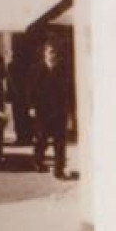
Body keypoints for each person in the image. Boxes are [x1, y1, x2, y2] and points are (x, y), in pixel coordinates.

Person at [29, 42, 75, 178]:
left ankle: (59, 169)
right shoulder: (36, 69)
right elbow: (30, 90)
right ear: (44, 53)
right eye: (49, 52)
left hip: (59, 110)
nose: (52, 55)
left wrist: (70, 110)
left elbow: (68, 90)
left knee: (60, 141)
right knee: (41, 138)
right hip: (42, 110)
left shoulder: (62, 69)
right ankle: (38, 161)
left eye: (54, 52)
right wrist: (31, 106)